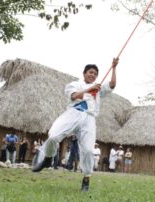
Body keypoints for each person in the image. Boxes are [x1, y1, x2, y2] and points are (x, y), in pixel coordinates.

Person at [32, 58, 118, 192]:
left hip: (89, 118)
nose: (93, 75)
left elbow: (112, 84)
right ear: (84, 74)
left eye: (95, 73)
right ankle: (48, 158)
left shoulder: (98, 89)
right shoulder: (74, 84)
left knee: (89, 150)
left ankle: (86, 179)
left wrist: (114, 67)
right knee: (53, 136)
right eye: (90, 72)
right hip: (73, 113)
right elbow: (74, 96)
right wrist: (90, 89)